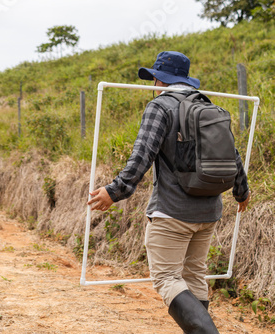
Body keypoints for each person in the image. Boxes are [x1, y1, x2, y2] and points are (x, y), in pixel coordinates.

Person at [87, 51, 250, 333]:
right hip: (209, 212)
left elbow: (141, 157)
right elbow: (233, 157)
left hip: (172, 213)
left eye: (153, 79)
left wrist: (113, 192)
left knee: (166, 278)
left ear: (160, 79)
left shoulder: (160, 106)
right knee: (194, 275)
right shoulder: (208, 106)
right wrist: (242, 193)